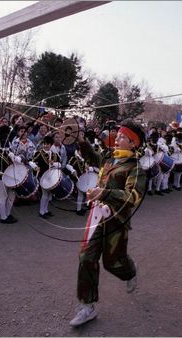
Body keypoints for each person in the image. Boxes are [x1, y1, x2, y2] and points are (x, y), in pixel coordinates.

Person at [69, 119, 147, 327]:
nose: (117, 138)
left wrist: (103, 192)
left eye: (122, 136)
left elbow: (134, 196)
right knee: (86, 257)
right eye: (118, 135)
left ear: (133, 143)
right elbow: (92, 157)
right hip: (97, 217)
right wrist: (80, 140)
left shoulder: (136, 168)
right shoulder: (109, 157)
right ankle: (88, 306)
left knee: (112, 263)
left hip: (117, 222)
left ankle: (130, 271)